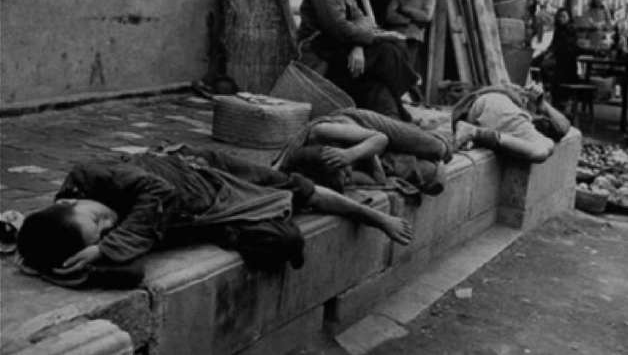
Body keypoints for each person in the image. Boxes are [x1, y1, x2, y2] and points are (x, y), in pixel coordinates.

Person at [17, 147, 412, 287]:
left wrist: (109, 246)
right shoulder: (71, 231)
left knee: (294, 187)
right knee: (283, 242)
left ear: (68, 203)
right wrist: (78, 268)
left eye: (96, 218)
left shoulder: (90, 176)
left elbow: (159, 191)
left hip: (206, 172)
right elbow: (132, 273)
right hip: (205, 216)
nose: (108, 222)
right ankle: (240, 227)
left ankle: (369, 214)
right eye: (101, 233)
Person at [298, 0, 419, 120]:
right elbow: (341, 29)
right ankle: (410, 92)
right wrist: (375, 37)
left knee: (378, 85)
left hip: (342, 58)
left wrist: (358, 45)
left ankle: (396, 113)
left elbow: (365, 21)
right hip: (323, 64)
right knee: (387, 50)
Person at [274, 107, 453, 196]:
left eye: (345, 172)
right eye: (346, 177)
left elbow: (381, 138)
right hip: (371, 152)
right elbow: (379, 180)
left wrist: (350, 155)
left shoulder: (321, 131)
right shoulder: (334, 177)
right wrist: (369, 157)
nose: (348, 175)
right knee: (432, 177)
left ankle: (456, 138)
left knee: (437, 149)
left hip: (366, 125)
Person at [451, 82, 571, 163]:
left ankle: (475, 132)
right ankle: (473, 132)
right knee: (541, 151)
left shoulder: (532, 120)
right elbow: (561, 128)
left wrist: (542, 103)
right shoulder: (516, 99)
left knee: (546, 147)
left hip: (489, 107)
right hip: (495, 102)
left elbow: (563, 127)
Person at [385, 0, 435, 80]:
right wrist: (409, 21)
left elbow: (426, 17)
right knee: (392, 65)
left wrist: (405, 9)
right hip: (396, 35)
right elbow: (389, 16)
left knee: (407, 68)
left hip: (413, 37)